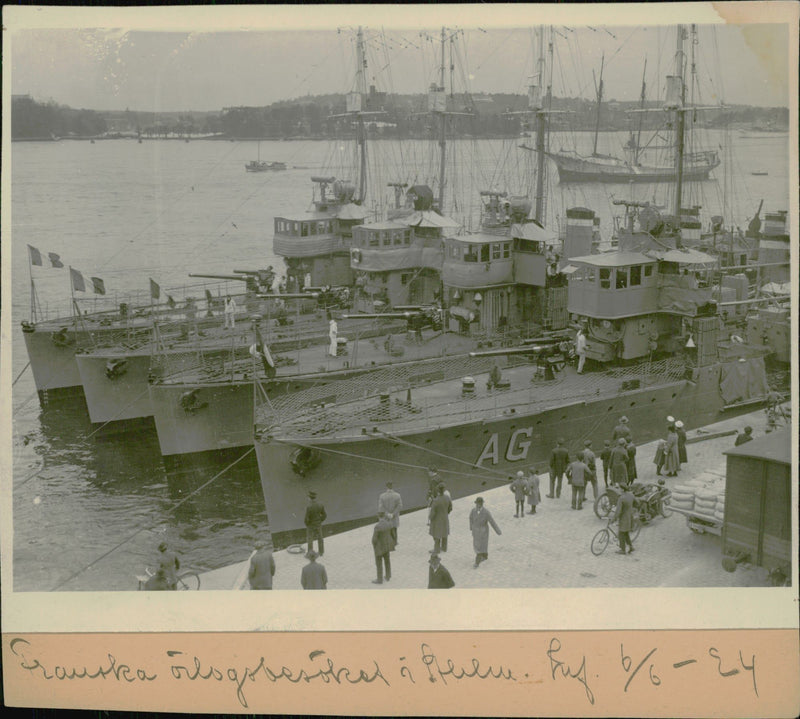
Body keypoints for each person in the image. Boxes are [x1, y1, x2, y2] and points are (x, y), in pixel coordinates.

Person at [469, 497, 501, 568]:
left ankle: (477, 561)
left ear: (482, 504)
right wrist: (471, 527)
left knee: (482, 545)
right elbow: (470, 518)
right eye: (477, 504)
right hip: (475, 531)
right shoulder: (473, 511)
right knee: (477, 546)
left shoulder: (486, 512)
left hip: (483, 531)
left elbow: (492, 521)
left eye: (479, 504)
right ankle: (483, 556)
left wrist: (498, 531)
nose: (478, 505)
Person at [371, 512, 396, 584]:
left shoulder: (377, 526)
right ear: (384, 516)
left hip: (379, 548)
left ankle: (379, 579)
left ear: (379, 517)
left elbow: (374, 540)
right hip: (387, 546)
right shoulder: (389, 524)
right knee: (387, 561)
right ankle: (388, 576)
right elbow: (393, 535)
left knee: (379, 563)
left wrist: (374, 546)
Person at [611, 485, 635, 555]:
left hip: (624, 519)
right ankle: (631, 547)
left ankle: (622, 550)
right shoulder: (631, 495)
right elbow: (636, 502)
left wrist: (613, 519)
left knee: (621, 534)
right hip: (630, 517)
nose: (618, 489)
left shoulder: (621, 498)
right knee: (626, 533)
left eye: (619, 488)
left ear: (622, 489)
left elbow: (618, 511)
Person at [428, 484, 452, 553]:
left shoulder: (436, 501)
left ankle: (437, 549)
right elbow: (450, 507)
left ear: (438, 491)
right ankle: (444, 548)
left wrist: (430, 518)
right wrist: (446, 513)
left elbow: (432, 513)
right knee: (444, 534)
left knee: (436, 535)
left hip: (437, 520)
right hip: (445, 518)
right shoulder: (447, 497)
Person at [378, 481, 402, 545]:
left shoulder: (382, 496)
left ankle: (388, 542)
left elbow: (381, 507)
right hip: (394, 516)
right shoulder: (397, 495)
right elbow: (400, 506)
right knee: (394, 529)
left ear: (386, 487)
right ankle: (395, 542)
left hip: (386, 516)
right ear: (392, 486)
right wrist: (393, 514)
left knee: (387, 529)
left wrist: (387, 514)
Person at [304, 491, 327, 556]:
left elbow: (306, 519)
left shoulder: (309, 506)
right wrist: (320, 521)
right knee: (320, 538)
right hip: (318, 524)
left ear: (309, 498)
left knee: (310, 539)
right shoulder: (320, 504)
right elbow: (325, 515)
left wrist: (307, 524)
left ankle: (310, 553)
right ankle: (321, 552)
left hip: (311, 525)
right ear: (315, 497)